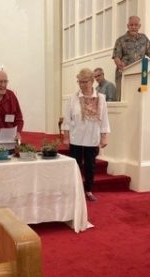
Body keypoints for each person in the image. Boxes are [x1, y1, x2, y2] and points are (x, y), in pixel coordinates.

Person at [62, 68, 110, 201]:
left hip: (92, 138)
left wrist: (104, 136)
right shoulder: (73, 98)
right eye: (80, 82)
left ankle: (88, 190)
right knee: (75, 165)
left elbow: (104, 118)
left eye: (85, 82)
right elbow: (67, 118)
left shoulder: (101, 98)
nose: (82, 85)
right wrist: (66, 136)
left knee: (90, 166)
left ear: (92, 81)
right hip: (76, 137)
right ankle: (75, 190)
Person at [112, 16, 150, 100]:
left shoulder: (144, 38)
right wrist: (119, 64)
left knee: (140, 98)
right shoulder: (120, 40)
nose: (133, 27)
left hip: (141, 74)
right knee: (122, 98)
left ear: (139, 26)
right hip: (124, 73)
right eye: (131, 25)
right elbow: (116, 57)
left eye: (136, 25)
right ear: (127, 26)